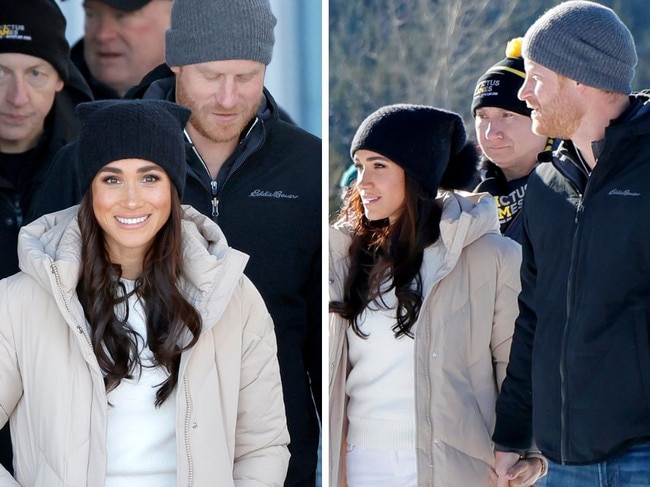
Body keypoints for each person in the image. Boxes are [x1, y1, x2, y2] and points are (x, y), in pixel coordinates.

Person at [31, 1, 322, 485]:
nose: (229, 97)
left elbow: (324, 338)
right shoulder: (94, 159)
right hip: (107, 457)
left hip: (265, 457)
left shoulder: (305, 166)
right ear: (176, 62)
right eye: (211, 76)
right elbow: (31, 324)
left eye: (246, 76)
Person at [0, 98, 289, 486]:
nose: (132, 198)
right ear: (89, 189)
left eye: (151, 178)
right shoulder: (22, 301)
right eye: (112, 179)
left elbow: (262, 445)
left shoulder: (232, 297)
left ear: (174, 188)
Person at [329, 104, 539, 486]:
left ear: (417, 173)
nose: (362, 182)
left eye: (378, 166)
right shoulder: (344, 257)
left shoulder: (490, 256)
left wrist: (531, 453)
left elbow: (519, 365)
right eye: (359, 166)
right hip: (359, 463)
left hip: (454, 465)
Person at [491, 2, 650, 486]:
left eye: (536, 77)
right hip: (562, 462)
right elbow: (534, 318)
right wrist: (511, 437)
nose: (524, 93)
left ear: (580, 78)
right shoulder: (545, 185)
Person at [0, 0, 93, 473]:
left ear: (60, 78)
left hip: (69, 436)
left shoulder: (96, 173)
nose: (16, 96)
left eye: (35, 73)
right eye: (0, 72)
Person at [472, 37, 553, 243]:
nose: (491, 133)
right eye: (482, 116)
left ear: (540, 117)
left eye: (507, 115)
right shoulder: (461, 192)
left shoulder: (573, 188)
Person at [71, 0, 172, 99]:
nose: (102, 35)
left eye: (123, 15)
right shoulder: (57, 101)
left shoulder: (186, 106)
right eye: (91, 14)